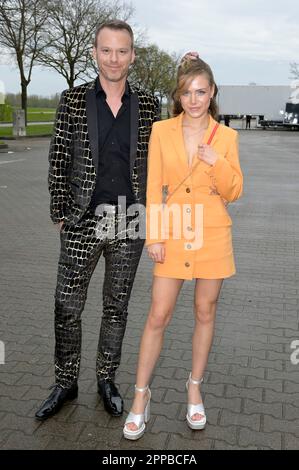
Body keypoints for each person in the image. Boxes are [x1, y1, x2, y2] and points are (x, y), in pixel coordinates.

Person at [35, 20, 160, 421]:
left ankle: (107, 379)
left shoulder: (148, 104)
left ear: (132, 56)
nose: (114, 58)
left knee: (116, 307)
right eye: (106, 50)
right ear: (94, 53)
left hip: (128, 221)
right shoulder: (72, 100)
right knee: (66, 305)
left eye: (122, 51)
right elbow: (58, 158)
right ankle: (65, 382)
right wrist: (60, 212)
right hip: (82, 220)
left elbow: (165, 150)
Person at [123, 55, 243, 440]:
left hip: (212, 234)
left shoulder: (227, 138)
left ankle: (194, 389)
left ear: (212, 94)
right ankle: (140, 397)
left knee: (205, 312)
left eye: (201, 92)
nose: (194, 99)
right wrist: (154, 236)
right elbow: (153, 185)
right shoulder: (161, 130)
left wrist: (217, 163)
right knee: (158, 315)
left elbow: (234, 190)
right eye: (187, 92)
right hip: (173, 232)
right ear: (178, 95)